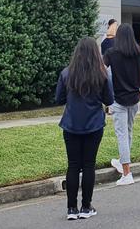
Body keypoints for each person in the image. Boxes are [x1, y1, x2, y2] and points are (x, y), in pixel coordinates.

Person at [56, 38, 114, 220]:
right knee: (89, 165)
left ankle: (71, 208)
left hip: (71, 124)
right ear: (96, 53)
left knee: (73, 165)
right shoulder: (102, 74)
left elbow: (59, 99)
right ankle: (86, 207)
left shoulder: (66, 73)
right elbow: (109, 100)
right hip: (94, 125)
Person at [104, 24, 140, 186]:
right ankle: (122, 162)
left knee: (122, 135)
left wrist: (106, 92)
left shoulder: (111, 53)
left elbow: (100, 71)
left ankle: (127, 173)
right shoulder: (139, 52)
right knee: (128, 132)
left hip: (118, 99)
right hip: (135, 99)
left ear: (118, 36)